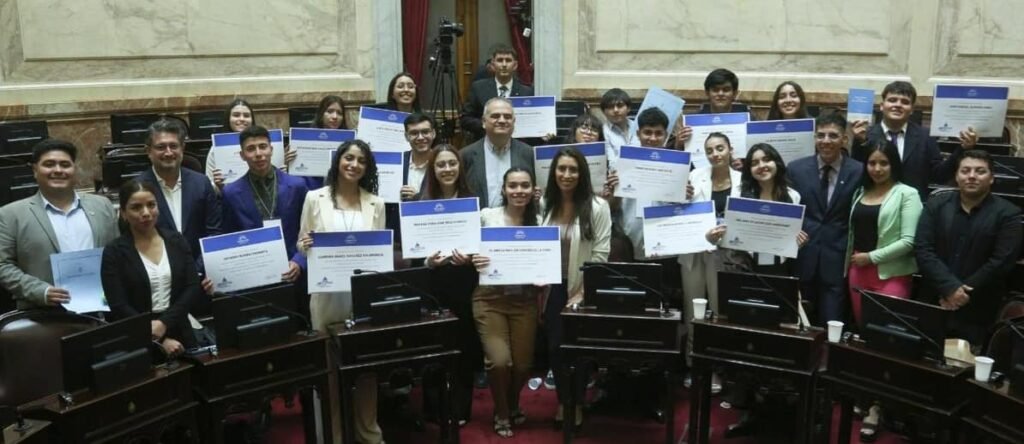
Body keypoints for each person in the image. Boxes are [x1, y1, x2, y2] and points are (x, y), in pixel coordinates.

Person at [704, 143, 806, 439]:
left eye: (767, 160)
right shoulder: (740, 198)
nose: (762, 166)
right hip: (748, 275)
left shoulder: (793, 196)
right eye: (755, 162)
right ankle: (750, 410)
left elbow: (790, 244)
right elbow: (730, 240)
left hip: (780, 276)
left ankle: (779, 410)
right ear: (749, 169)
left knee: (780, 346)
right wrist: (713, 236)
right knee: (749, 345)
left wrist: (799, 242)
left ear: (777, 163)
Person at [297, 139, 385, 443]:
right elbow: (301, 243)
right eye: (349, 158)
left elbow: (380, 252)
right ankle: (332, 436)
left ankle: (368, 433)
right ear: (338, 161)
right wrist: (305, 245)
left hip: (362, 297)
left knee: (365, 368)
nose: (354, 165)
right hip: (326, 294)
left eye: (361, 161)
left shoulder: (376, 203)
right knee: (328, 370)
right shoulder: (314, 198)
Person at [916, 149, 1022, 346]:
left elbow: (1001, 262)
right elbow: (923, 249)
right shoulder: (936, 205)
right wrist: (949, 288)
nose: (972, 176)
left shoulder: (1009, 214)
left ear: (991, 178)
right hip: (934, 300)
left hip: (978, 308)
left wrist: (961, 293)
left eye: (980, 171)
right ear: (956, 176)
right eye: (965, 171)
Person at [539, 147, 612, 427]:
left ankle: (578, 402)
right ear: (553, 172)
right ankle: (563, 401)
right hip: (551, 288)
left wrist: (583, 292)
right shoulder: (545, 204)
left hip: (583, 287)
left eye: (573, 169)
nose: (567, 175)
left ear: (582, 174)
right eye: (561, 169)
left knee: (579, 350)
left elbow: (601, 254)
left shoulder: (598, 206)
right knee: (555, 348)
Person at [0, 139, 119, 309]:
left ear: (74, 169)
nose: (58, 170)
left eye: (65, 165)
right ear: (35, 170)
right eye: (49, 164)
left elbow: (118, 253)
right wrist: (40, 291)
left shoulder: (102, 205)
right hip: (43, 313)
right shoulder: (10, 214)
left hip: (103, 307)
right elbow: (3, 265)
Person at [470, 167, 544, 438]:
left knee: (523, 366)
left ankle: (512, 403)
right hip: (489, 299)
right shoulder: (486, 216)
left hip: (525, 300)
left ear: (533, 190)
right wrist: (474, 257)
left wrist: (544, 275)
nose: (518, 191)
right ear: (503, 189)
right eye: (513, 185)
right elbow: (466, 247)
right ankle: (502, 412)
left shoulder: (540, 221)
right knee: (499, 362)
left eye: (525, 185)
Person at [101, 180, 202, 356]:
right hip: (137, 335)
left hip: (180, 328)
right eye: (136, 207)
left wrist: (164, 323)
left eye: (151, 205)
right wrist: (158, 339)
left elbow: (192, 286)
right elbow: (118, 304)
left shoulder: (176, 240)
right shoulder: (114, 252)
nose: (146, 213)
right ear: (123, 213)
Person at [417, 144, 480, 424]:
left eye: (452, 163)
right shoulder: (420, 203)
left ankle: (460, 409)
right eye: (441, 164)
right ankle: (433, 409)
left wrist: (470, 258)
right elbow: (411, 255)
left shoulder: (473, 201)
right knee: (433, 348)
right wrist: (427, 261)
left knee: (463, 348)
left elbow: (482, 248)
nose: (447, 169)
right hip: (432, 285)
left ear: (460, 167)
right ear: (432, 169)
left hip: (463, 284)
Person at [788, 112, 863, 324]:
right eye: (821, 135)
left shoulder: (858, 171)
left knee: (832, 324)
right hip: (804, 255)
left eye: (833, 135)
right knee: (800, 323)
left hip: (838, 258)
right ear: (814, 138)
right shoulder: (796, 169)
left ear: (844, 139)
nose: (826, 141)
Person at [221, 125, 308, 304]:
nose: (258, 154)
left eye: (263, 146)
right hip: (254, 277)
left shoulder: (297, 185)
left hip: (294, 272)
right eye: (251, 149)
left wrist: (299, 261)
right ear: (242, 155)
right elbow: (228, 237)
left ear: (271, 149)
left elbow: (310, 229)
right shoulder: (230, 193)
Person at [850, 81, 977, 202]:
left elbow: (939, 175)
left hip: (914, 204)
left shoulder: (925, 136)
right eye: (892, 100)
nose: (898, 105)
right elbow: (856, 174)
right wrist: (859, 142)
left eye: (905, 102)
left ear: (911, 109)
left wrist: (963, 148)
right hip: (874, 204)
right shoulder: (865, 135)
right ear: (882, 106)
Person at [846, 140, 922, 325]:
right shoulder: (860, 192)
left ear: (893, 164)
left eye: (884, 163)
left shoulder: (907, 194)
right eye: (872, 163)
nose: (877, 169)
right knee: (862, 326)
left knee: (886, 329)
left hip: (892, 273)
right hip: (858, 269)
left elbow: (908, 241)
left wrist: (871, 257)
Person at [138, 119, 221, 279]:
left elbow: (214, 232)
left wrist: (197, 271)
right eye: (161, 147)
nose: (168, 153)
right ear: (148, 151)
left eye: (174, 146)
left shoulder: (202, 183)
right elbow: (135, 239)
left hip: (202, 276)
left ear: (183, 148)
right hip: (158, 278)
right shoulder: (138, 189)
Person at [680, 133, 742, 326]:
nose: (715, 154)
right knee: (692, 305)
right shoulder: (694, 176)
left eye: (720, 148)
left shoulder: (743, 180)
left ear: (730, 150)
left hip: (726, 252)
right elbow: (682, 210)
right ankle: (692, 345)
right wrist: (681, 196)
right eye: (709, 151)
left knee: (719, 306)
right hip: (695, 249)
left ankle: (715, 343)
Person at [460, 97, 535, 209]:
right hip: (479, 219)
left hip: (518, 218)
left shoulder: (529, 153)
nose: (502, 120)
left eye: (507, 117)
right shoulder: (465, 155)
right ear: (483, 122)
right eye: (495, 116)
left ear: (514, 122)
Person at [460, 44, 534, 143]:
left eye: (508, 60)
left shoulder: (527, 91)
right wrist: (488, 125)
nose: (504, 64)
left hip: (517, 144)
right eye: (500, 60)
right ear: (493, 65)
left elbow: (532, 122)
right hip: (485, 142)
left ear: (515, 65)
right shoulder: (478, 88)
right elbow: (465, 119)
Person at [674, 68, 750, 148]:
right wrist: (678, 144)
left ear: (734, 93)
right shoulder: (692, 123)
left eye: (726, 90)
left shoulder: (747, 120)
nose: (720, 94)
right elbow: (680, 151)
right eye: (715, 90)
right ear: (707, 93)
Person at [207, 98, 256, 190]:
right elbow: (209, 185)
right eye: (236, 115)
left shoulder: (261, 144)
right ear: (228, 119)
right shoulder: (216, 148)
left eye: (246, 115)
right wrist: (218, 186)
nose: (242, 119)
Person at [599, 88, 638, 162]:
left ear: (628, 108)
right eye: (610, 107)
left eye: (620, 106)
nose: (615, 110)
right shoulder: (602, 132)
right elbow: (611, 163)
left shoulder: (639, 127)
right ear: (604, 111)